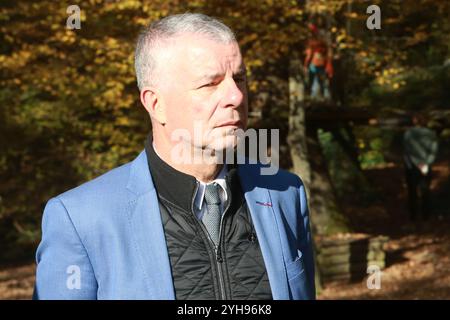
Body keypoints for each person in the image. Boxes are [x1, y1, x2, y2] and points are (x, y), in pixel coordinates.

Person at [33, 13, 315, 300]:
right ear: (156, 104)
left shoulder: (285, 194)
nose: (236, 96)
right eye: (210, 84)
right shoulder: (81, 219)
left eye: (239, 78)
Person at [403, 114, 439, 221]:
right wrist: (427, 163)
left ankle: (413, 216)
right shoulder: (431, 134)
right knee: (425, 190)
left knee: (412, 191)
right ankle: (426, 215)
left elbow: (407, 151)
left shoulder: (408, 134)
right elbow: (433, 151)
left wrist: (415, 164)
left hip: (412, 167)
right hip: (425, 166)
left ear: (415, 120)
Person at [303, 23, 333, 100]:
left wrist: (305, 65)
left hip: (315, 64)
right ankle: (325, 97)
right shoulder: (321, 43)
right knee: (322, 81)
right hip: (320, 64)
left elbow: (309, 55)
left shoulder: (312, 43)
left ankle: (315, 98)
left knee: (314, 81)